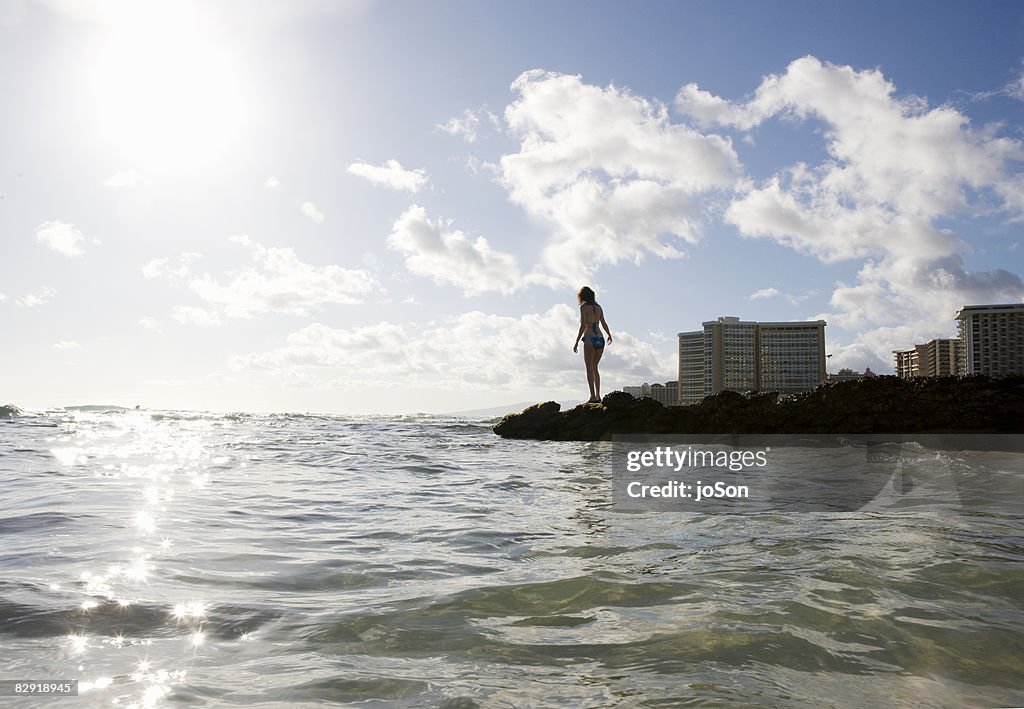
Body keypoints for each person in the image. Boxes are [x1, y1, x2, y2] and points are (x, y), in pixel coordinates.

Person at [573, 286, 612, 403]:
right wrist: (609, 334)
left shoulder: (583, 308)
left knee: (589, 369)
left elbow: (583, 326)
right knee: (595, 367)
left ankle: (592, 396)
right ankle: (598, 396)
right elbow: (603, 322)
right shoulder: (598, 307)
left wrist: (576, 342)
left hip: (589, 337)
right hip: (600, 338)